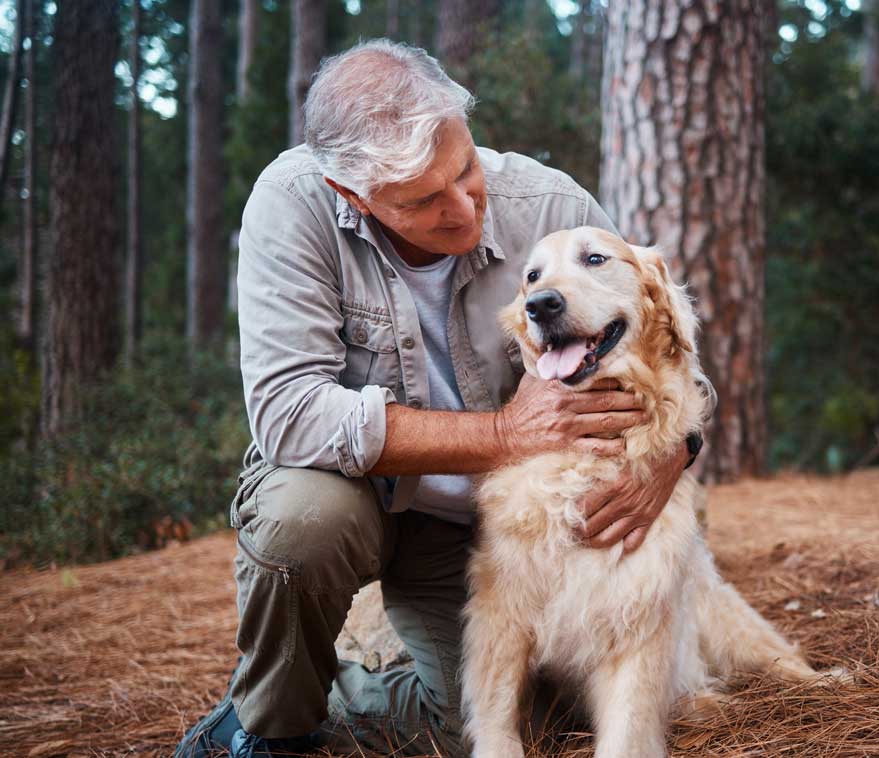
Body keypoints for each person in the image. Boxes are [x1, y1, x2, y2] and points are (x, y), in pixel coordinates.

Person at [176, 39, 711, 758]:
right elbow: (288, 413)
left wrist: (674, 452)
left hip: (480, 530)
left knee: (519, 723)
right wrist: (504, 434)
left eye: (465, 170)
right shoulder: (293, 204)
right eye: (425, 201)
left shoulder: (550, 204)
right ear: (353, 196)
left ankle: (344, 692)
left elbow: (662, 346)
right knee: (301, 525)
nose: (463, 210)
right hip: (352, 491)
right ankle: (273, 723)